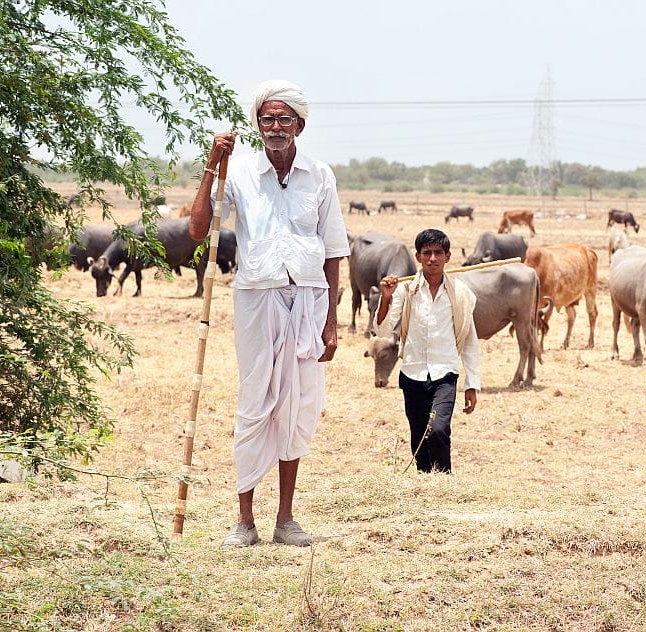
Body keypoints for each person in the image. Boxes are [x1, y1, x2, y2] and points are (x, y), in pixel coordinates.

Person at [189, 80, 349, 548]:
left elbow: (335, 250)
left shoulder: (320, 175)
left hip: (309, 298)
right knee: (255, 401)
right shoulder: (237, 172)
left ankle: (286, 519)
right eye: (266, 119)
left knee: (298, 407)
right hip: (257, 298)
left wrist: (331, 320)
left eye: (284, 120)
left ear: (300, 124)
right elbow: (199, 230)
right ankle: (244, 520)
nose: (275, 128)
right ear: (258, 125)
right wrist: (210, 165)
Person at [374, 229, 480, 473]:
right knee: (419, 435)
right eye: (427, 253)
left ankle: (444, 481)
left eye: (438, 253)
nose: (433, 258)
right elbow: (383, 328)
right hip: (412, 374)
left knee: (439, 429)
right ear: (418, 257)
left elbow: (471, 342)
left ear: (448, 256)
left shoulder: (461, 295)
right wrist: (386, 298)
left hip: (445, 375)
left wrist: (472, 383)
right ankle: (424, 479)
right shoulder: (405, 291)